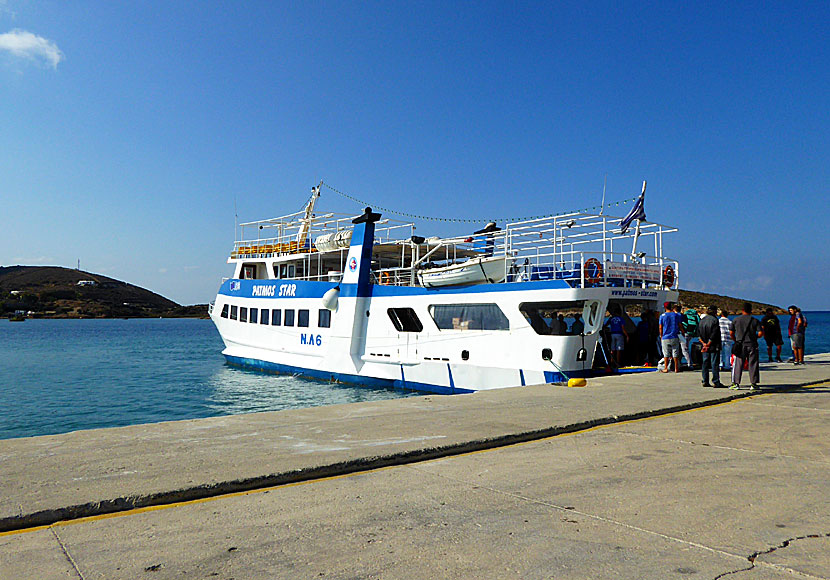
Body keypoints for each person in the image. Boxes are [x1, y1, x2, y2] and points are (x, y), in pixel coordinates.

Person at [730, 302, 763, 390]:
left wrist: (736, 340)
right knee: (753, 364)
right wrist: (754, 337)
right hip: (752, 344)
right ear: (751, 310)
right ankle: (753, 383)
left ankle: (736, 383)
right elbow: (760, 333)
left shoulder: (736, 320)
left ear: (742, 310)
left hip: (740, 344)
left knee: (738, 364)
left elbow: (731, 333)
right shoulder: (755, 320)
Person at [698, 305, 724, 387]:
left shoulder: (702, 320)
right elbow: (714, 333)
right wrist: (708, 343)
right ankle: (716, 381)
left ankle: (705, 380)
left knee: (705, 363)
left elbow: (698, 333)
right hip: (713, 345)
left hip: (704, 344)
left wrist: (704, 344)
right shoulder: (715, 320)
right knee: (714, 363)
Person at [659, 301, 682, 373]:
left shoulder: (662, 316)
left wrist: (661, 335)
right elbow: (680, 324)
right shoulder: (675, 315)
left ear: (665, 307)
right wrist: (683, 332)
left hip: (665, 336)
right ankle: (676, 368)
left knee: (666, 353)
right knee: (675, 352)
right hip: (674, 336)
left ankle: (666, 368)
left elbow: (660, 327)